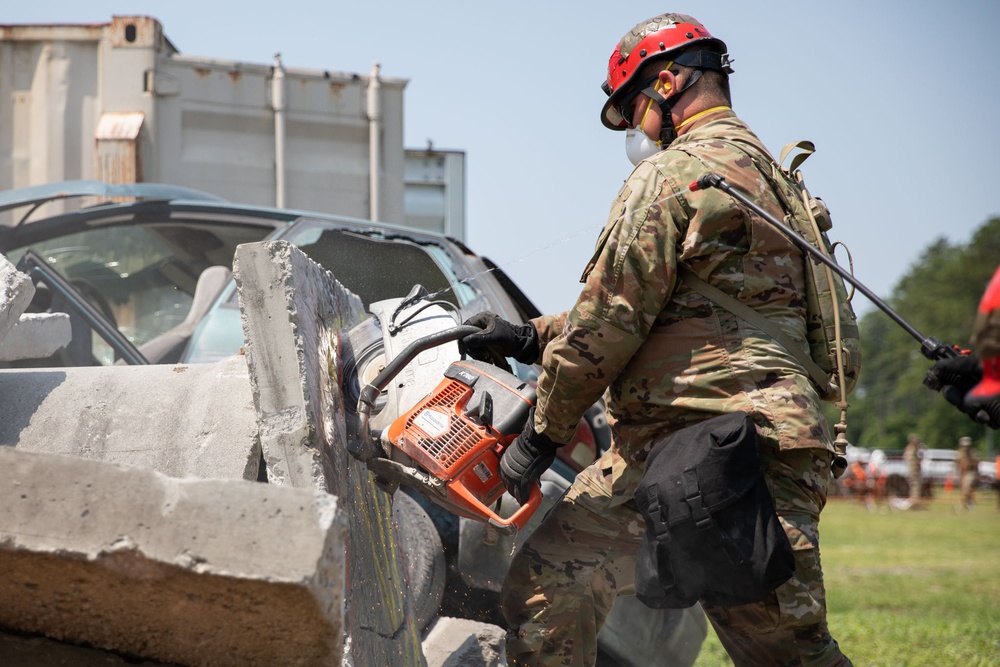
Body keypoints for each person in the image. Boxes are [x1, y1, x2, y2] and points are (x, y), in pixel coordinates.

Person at [460, 12, 852, 666]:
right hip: (757, 446)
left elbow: (608, 320)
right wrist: (529, 336)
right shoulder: (781, 187)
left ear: (668, 84)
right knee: (556, 584)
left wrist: (539, 437)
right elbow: (689, 313)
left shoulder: (672, 175)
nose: (637, 129)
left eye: (635, 108)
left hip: (696, 450)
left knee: (781, 652)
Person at [955, 436, 979, 510]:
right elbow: (957, 462)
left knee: (968, 488)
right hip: (962, 473)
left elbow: (976, 462)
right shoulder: (960, 452)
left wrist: (969, 464)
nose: (965, 447)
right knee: (963, 489)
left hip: (970, 472)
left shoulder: (973, 452)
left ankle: (967, 503)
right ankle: (966, 503)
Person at [903, 433, 925, 505]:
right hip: (914, 470)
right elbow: (911, 460)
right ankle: (914, 501)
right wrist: (914, 470)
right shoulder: (912, 449)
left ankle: (915, 501)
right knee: (915, 486)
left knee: (915, 486)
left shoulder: (913, 449)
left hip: (915, 470)